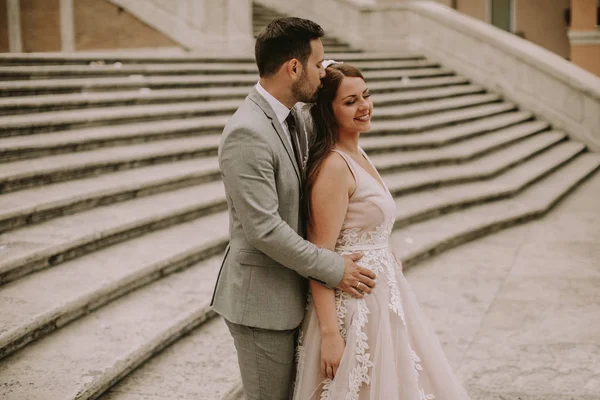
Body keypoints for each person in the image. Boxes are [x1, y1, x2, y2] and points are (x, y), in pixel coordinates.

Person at [211, 18, 377, 400]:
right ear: (293, 67)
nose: (323, 73)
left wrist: (330, 73)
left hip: (294, 292)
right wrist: (334, 268)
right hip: (263, 305)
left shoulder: (292, 116)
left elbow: (323, 88)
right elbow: (264, 229)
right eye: (318, 65)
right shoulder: (247, 132)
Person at [292, 63, 471, 399]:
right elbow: (318, 257)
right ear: (329, 111)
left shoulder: (358, 152)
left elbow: (361, 225)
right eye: (350, 101)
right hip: (353, 308)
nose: (364, 106)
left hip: (381, 299)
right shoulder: (333, 166)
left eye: (366, 95)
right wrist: (331, 333)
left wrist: (382, 249)